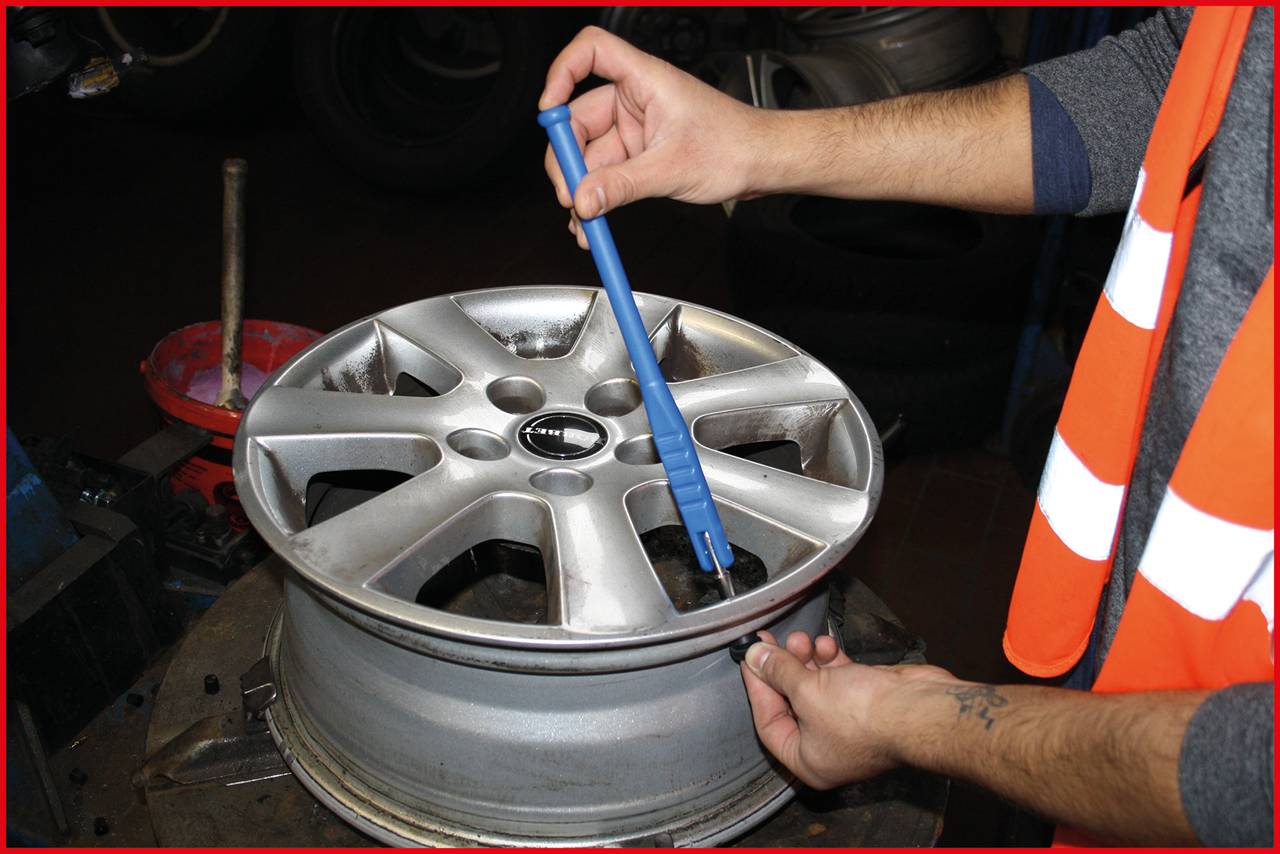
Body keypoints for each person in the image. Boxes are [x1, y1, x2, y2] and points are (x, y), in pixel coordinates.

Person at [540, 7, 1272, 847]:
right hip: (1144, 665)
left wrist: (920, 724)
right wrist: (755, 145)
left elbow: (1252, 772)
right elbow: (1167, 83)